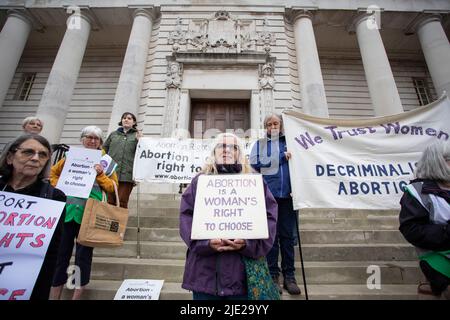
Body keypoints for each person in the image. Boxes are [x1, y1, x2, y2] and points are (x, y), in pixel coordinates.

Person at [179, 132, 278, 300]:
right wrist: (206, 243)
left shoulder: (254, 182)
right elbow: (186, 217)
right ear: (214, 153)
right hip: (205, 277)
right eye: (222, 146)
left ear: (239, 153)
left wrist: (248, 243)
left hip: (243, 279)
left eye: (233, 147)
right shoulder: (199, 182)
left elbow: (269, 217)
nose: (227, 150)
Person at [49, 126, 118, 300]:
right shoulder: (70, 156)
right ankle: (55, 290)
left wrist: (100, 174)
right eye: (89, 137)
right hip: (68, 211)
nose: (92, 141)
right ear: (82, 139)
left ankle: (77, 291)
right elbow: (52, 173)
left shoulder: (106, 160)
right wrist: (59, 185)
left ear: (100, 142)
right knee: (60, 253)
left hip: (89, 213)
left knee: (83, 256)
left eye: (96, 139)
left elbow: (112, 187)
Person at [0, 134, 66, 300]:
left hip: (26, 286)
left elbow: (52, 252)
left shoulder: (55, 197)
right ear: (10, 157)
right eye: (28, 152)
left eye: (42, 155)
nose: (36, 158)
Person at [250, 113, 301, 295]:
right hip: (268, 197)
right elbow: (255, 163)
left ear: (281, 126)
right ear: (266, 127)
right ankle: (273, 276)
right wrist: (280, 157)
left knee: (287, 237)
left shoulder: (291, 142)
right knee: (272, 238)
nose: (273, 126)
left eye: (276, 123)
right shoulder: (260, 145)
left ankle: (290, 277)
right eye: (269, 124)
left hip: (289, 196)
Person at [399, 141, 450, 300]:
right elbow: (411, 229)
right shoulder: (417, 192)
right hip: (437, 255)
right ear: (436, 162)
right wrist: (447, 232)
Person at [103, 112, 142, 208]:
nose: (126, 120)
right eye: (124, 118)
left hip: (127, 175)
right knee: (109, 201)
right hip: (111, 173)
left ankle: (119, 223)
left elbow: (143, 154)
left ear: (134, 122)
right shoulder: (113, 135)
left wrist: (141, 141)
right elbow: (104, 150)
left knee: (122, 201)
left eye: (129, 118)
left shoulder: (137, 136)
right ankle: (106, 222)